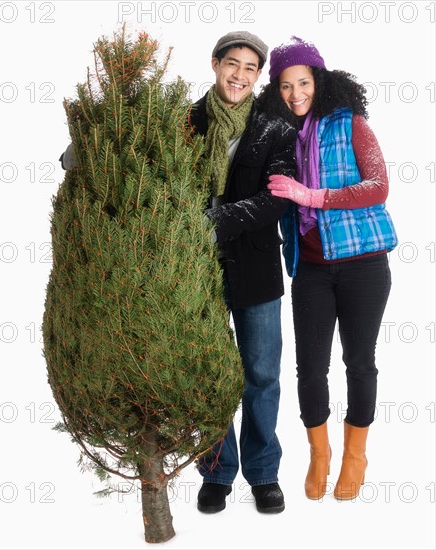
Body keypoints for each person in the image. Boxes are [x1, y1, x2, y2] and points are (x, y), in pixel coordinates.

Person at [259, 36, 398, 501]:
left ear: (320, 81)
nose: (295, 94)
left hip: (363, 265)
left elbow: (378, 186)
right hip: (311, 270)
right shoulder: (278, 134)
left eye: (303, 82)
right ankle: (320, 454)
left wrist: (311, 196)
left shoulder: (350, 123)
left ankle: (355, 454)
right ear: (274, 91)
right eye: (284, 86)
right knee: (309, 368)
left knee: (359, 363)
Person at [189, 31, 296, 514]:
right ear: (216, 64)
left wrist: (217, 222)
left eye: (251, 69)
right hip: (192, 271)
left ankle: (263, 473)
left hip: (255, 269)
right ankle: (217, 471)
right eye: (233, 64)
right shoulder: (183, 121)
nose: (240, 75)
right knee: (207, 373)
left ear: (258, 76)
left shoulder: (276, 128)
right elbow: (146, 161)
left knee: (261, 374)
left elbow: (277, 197)